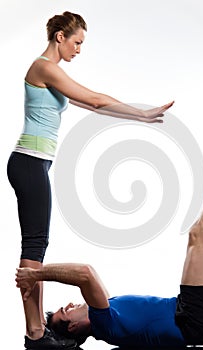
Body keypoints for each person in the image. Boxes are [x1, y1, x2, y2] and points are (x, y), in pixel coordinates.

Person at [16, 108, 203, 348]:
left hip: (188, 311)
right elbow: (85, 274)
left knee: (202, 234)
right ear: (75, 327)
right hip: (195, 319)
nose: (68, 305)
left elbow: (89, 282)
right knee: (201, 234)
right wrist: (36, 274)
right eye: (64, 312)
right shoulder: (105, 324)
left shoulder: (109, 312)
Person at [7, 10, 174, 349]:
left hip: (36, 164)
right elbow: (95, 98)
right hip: (28, 162)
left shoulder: (53, 75)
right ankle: (35, 334)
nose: (79, 50)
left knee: (38, 246)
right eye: (77, 42)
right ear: (60, 37)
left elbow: (96, 107)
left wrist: (137, 119)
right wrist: (141, 113)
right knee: (34, 247)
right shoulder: (44, 68)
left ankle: (38, 328)